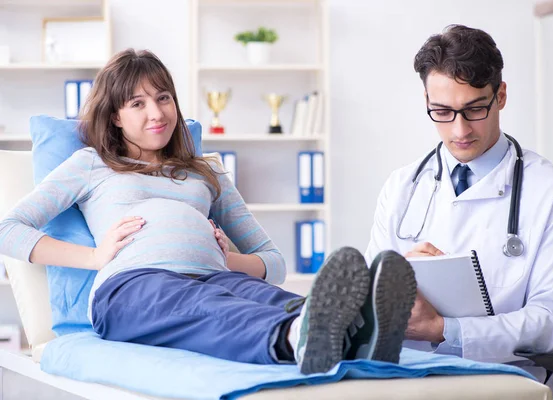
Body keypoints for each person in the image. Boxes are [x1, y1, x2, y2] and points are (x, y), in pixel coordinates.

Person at [0, 49, 417, 375]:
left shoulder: (208, 172)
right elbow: (8, 228)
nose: (157, 113)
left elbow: (273, 262)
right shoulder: (91, 164)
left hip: (216, 278)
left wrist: (231, 260)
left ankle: (355, 330)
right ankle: (296, 339)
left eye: (164, 98)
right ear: (114, 116)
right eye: (138, 103)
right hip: (132, 288)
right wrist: (92, 258)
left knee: (270, 298)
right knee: (202, 308)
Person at [364, 25, 553, 396]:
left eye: (474, 109)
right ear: (426, 101)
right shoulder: (402, 186)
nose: (459, 129)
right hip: (407, 369)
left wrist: (444, 330)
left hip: (504, 373)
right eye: (442, 112)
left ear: (500, 95)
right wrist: (394, 278)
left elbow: (552, 321)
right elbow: (367, 300)